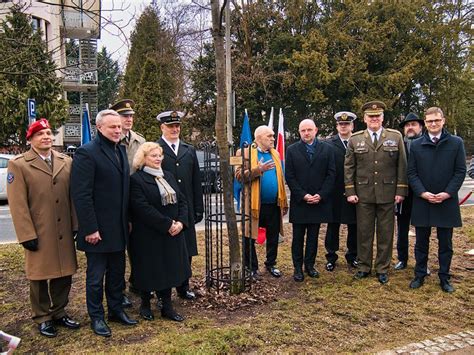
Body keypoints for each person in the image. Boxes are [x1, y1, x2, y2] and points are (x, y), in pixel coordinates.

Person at [7, 119, 80, 337]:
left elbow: (73, 196)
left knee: (64, 272)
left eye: (48, 133)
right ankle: (42, 317)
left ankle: (58, 311)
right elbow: (17, 204)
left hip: (63, 228)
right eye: (40, 134)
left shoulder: (66, 161)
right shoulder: (19, 164)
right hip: (39, 229)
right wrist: (26, 234)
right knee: (38, 276)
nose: (46, 137)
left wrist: (76, 224)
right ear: (30, 139)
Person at [71, 110, 137, 338]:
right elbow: (81, 195)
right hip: (96, 230)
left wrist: (127, 219)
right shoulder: (86, 153)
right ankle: (97, 317)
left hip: (118, 227)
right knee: (96, 277)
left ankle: (116, 310)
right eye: (113, 127)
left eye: (119, 126)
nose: (118, 130)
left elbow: (124, 191)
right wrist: (89, 228)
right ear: (99, 128)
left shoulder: (119, 150)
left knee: (117, 274)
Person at [345, 101, 408, 285]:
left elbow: (401, 166)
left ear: (382, 118)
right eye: (371, 116)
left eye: (377, 116)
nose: (374, 119)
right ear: (364, 119)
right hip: (363, 194)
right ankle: (364, 267)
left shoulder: (395, 137)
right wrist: (350, 191)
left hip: (388, 193)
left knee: (385, 233)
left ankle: (382, 268)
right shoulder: (355, 139)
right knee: (364, 232)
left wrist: (401, 190)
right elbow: (349, 167)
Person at [129, 142, 191, 322]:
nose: (158, 159)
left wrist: (180, 223)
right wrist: (167, 224)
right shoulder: (136, 180)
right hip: (148, 234)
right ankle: (145, 304)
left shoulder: (169, 176)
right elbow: (141, 208)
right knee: (149, 269)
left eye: (159, 155)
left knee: (169, 269)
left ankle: (167, 306)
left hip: (172, 233)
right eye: (153, 156)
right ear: (143, 159)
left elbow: (182, 201)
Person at [407, 107, 466, 293]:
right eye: (430, 121)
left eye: (436, 120)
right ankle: (420, 274)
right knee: (421, 242)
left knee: (445, 243)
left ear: (443, 120)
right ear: (425, 122)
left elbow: (460, 171)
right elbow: (411, 173)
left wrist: (448, 193)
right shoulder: (416, 145)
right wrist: (422, 193)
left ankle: (444, 277)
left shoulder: (456, 143)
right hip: (423, 199)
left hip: (446, 200)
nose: (433, 124)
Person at [157, 110, 203, 300]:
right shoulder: (155, 149)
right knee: (165, 251)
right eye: (171, 126)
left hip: (186, 208)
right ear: (162, 127)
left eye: (177, 126)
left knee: (187, 249)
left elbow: (195, 181)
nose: (175, 129)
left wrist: (198, 208)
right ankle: (163, 291)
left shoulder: (188, 149)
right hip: (165, 208)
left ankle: (183, 287)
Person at [235, 125, 288, 278]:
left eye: (273, 136)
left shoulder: (275, 154)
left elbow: (280, 179)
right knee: (249, 237)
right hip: (253, 205)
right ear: (258, 138)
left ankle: (271, 264)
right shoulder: (243, 153)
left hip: (273, 204)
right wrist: (259, 170)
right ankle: (251, 268)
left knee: (273, 236)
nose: (273, 139)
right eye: (269, 136)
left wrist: (284, 202)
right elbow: (239, 176)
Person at [286, 119, 335, 282]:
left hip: (318, 201)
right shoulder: (292, 150)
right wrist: (303, 195)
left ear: (316, 130)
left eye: (309, 130)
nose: (306, 133)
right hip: (300, 202)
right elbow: (290, 177)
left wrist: (320, 195)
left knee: (313, 237)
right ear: (299, 132)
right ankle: (297, 268)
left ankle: (310, 265)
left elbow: (331, 175)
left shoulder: (327, 149)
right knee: (298, 237)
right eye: (303, 131)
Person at [110, 98, 146, 305]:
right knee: (116, 250)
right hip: (115, 201)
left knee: (138, 245)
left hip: (135, 200)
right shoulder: (110, 140)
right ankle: (118, 290)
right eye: (125, 116)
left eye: (131, 116)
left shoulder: (139, 141)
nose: (129, 119)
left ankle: (137, 281)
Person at [324, 111, 358, 272]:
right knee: (333, 226)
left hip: (355, 190)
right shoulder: (329, 143)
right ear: (337, 126)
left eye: (347, 124)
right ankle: (331, 257)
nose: (343, 127)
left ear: (352, 126)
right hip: (335, 191)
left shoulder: (359, 141)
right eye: (340, 124)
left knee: (354, 225)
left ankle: (353, 256)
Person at [394, 112, 424, 271]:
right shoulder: (400, 146)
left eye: (413, 124)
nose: (410, 127)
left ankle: (421, 261)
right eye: (407, 125)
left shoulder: (426, 144)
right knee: (402, 228)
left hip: (421, 193)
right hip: (403, 193)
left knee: (422, 230)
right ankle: (402, 258)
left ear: (421, 127)